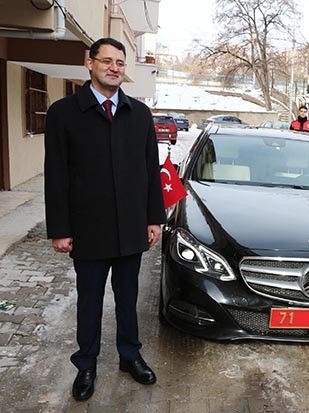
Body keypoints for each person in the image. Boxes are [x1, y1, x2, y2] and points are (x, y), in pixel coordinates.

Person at [44, 37, 166, 402]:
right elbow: (56, 174)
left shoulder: (139, 114)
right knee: (90, 302)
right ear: (90, 63)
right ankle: (86, 364)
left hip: (130, 227)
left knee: (128, 299)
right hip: (88, 229)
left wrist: (154, 218)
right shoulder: (64, 113)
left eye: (120, 62)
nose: (114, 68)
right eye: (107, 61)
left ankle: (130, 356)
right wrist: (60, 228)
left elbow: (150, 170)